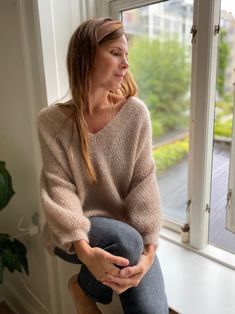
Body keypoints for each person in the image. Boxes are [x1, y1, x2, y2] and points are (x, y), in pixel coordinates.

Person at [37, 17, 168, 314]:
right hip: (74, 234)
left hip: (130, 238)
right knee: (124, 238)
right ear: (86, 54)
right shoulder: (51, 122)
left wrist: (147, 258)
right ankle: (84, 287)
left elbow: (143, 184)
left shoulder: (135, 114)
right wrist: (85, 253)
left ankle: (82, 286)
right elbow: (59, 188)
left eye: (127, 55)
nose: (125, 64)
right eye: (115, 53)